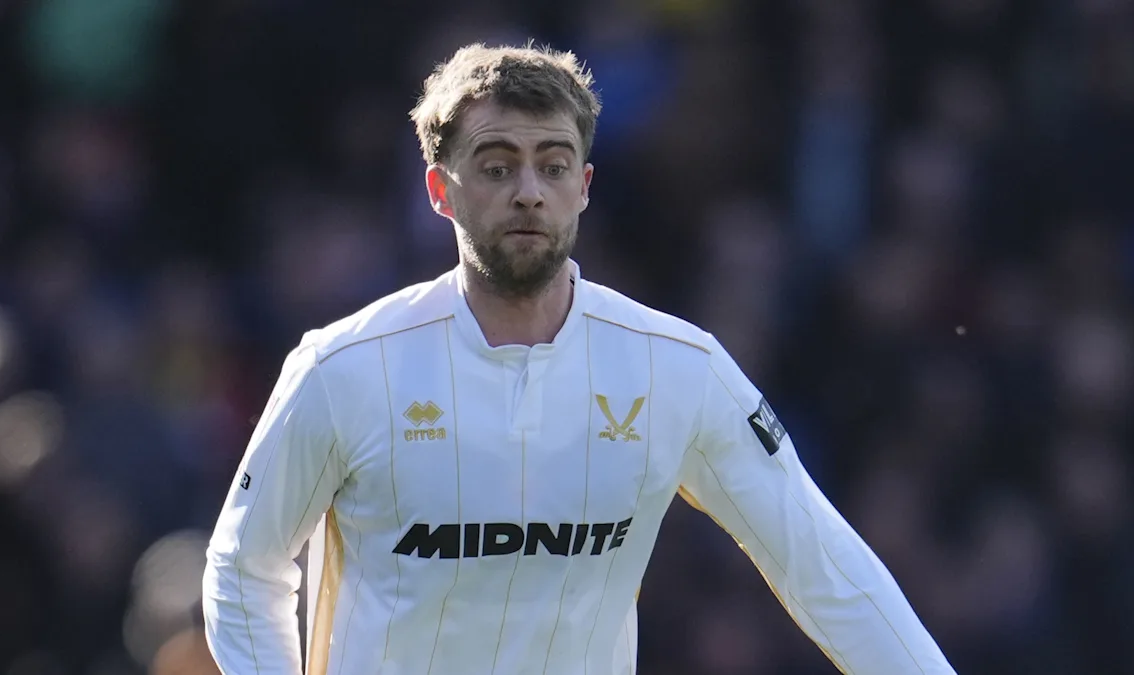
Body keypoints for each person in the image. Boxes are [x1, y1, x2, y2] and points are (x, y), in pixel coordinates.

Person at [202, 42, 957, 675]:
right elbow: (243, 569)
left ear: (585, 186)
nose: (529, 192)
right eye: (497, 166)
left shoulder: (676, 368)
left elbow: (823, 564)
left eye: (554, 165)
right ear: (440, 190)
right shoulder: (343, 369)